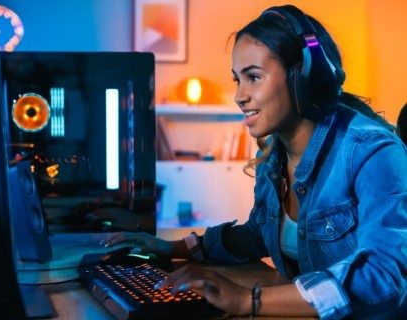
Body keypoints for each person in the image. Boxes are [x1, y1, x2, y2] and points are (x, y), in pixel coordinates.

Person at [102, 4, 407, 319]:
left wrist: (250, 300)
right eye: (237, 79)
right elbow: (257, 235)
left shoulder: (374, 153)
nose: (239, 95)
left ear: (301, 78)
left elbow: (381, 277)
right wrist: (172, 248)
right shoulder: (273, 155)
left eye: (253, 77)